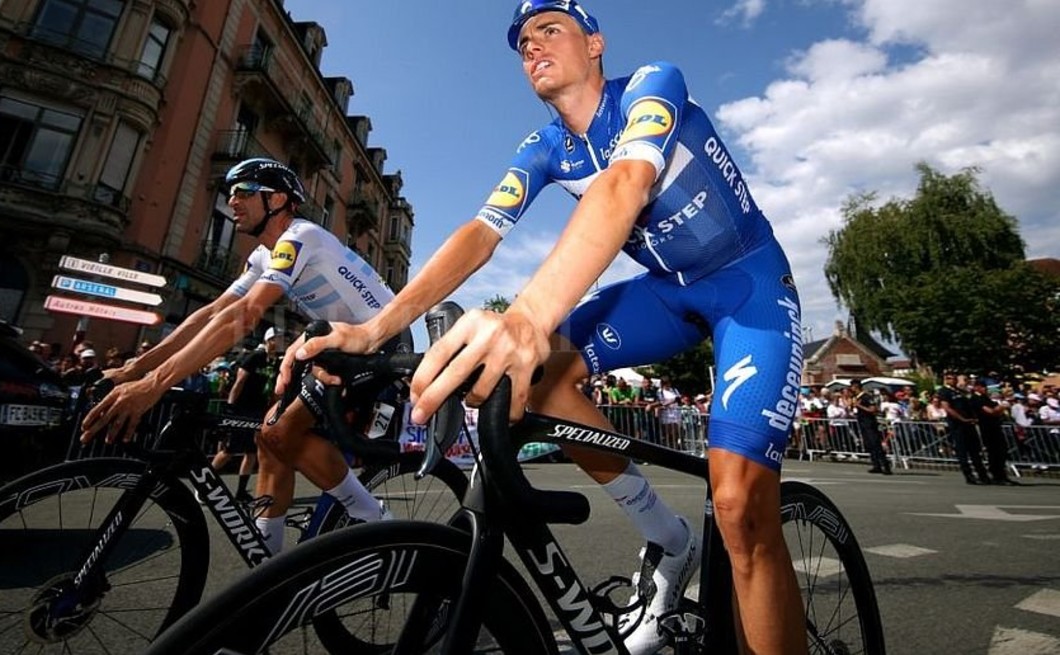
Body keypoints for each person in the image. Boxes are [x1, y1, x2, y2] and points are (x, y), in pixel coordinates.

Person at [285, 2, 807, 651]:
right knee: (544, 376)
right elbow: (479, 235)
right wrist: (374, 330)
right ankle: (671, 539)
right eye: (523, 41)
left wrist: (528, 315)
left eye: (549, 30)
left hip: (747, 282)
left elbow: (624, 183)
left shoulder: (650, 83)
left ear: (595, 44)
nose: (532, 46)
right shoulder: (545, 147)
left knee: (740, 507)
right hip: (667, 291)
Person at [81, 157, 401, 555]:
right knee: (267, 440)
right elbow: (215, 312)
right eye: (230, 193)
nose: (232, 201)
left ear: (278, 200)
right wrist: (135, 369)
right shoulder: (263, 257)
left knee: (279, 433)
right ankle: (267, 560)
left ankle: (374, 521)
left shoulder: (301, 236)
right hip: (338, 343)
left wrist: (155, 385)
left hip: (382, 342)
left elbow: (246, 316)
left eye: (244, 192)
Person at [211, 327, 283, 502]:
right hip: (242, 408)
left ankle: (241, 491)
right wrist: (230, 406)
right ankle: (207, 483)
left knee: (251, 452)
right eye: (277, 338)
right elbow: (239, 382)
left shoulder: (276, 362)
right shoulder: (254, 357)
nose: (281, 342)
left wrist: (273, 409)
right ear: (269, 340)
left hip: (259, 410)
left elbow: (274, 388)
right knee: (230, 449)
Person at [936, 372, 990, 485]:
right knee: (962, 451)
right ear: (946, 379)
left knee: (975, 450)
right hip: (958, 425)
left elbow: (969, 404)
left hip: (969, 423)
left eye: (955, 378)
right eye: (951, 378)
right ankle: (969, 475)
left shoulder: (961, 391)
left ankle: (982, 474)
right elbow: (947, 408)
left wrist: (973, 417)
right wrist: (962, 419)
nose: (954, 380)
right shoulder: (944, 391)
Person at [969, 380, 1017, 485]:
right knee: (994, 452)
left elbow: (995, 409)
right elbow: (990, 411)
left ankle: (1002, 475)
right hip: (986, 428)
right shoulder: (975, 399)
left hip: (995, 426)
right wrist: (1003, 405)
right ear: (976, 387)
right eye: (982, 386)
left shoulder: (986, 398)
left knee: (1002, 451)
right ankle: (997, 475)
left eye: (985, 386)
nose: (984, 389)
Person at [852, 380, 890, 475]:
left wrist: (859, 405)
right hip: (863, 423)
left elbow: (873, 409)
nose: (851, 389)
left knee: (876, 444)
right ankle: (876, 465)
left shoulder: (866, 397)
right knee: (870, 445)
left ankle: (885, 466)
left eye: (852, 386)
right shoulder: (856, 397)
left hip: (869, 423)